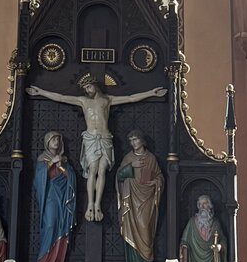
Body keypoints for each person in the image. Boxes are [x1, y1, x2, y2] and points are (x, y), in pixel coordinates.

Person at [26, 73, 166, 220]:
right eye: (85, 88)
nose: (87, 90)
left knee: (102, 170)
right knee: (92, 169)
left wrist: (151, 93)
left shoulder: (107, 100)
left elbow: (130, 98)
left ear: (95, 85)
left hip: (105, 138)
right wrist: (40, 92)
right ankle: (90, 205)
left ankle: (98, 205)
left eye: (89, 86)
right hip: (91, 138)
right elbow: (61, 97)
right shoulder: (83, 101)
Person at [115, 130, 164, 262]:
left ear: (142, 140)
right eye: (131, 140)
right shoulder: (128, 158)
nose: (133, 143)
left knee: (145, 229)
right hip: (131, 200)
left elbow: (159, 176)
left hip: (147, 200)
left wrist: (155, 182)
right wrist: (131, 166)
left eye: (135, 139)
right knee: (130, 229)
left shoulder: (151, 158)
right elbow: (119, 176)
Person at [31, 130, 77, 262]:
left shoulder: (64, 160)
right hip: (50, 196)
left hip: (63, 197)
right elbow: (38, 180)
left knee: (61, 226)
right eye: (53, 139)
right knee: (50, 224)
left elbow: (71, 178)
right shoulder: (42, 159)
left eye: (58, 139)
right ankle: (44, 261)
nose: (56, 142)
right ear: (47, 142)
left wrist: (61, 166)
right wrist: (51, 163)